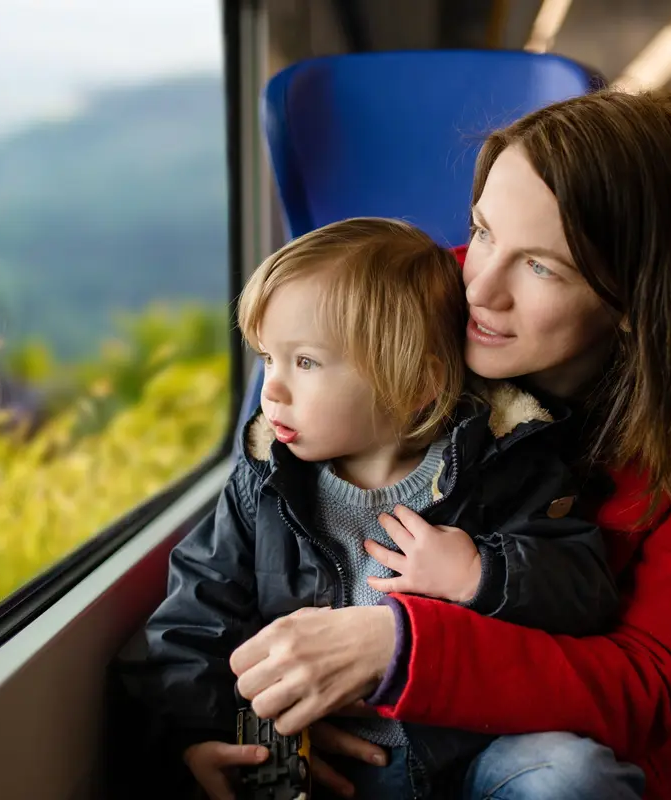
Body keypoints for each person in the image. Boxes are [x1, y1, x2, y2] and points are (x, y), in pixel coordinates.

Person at [228, 89, 671, 800]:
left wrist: (396, 648)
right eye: (483, 231)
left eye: (542, 267)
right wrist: (252, 714)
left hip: (546, 747)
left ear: (636, 302)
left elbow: (650, 684)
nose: (479, 287)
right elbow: (256, 529)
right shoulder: (405, 318)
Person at [119, 217, 623, 800]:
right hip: (307, 752)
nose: (272, 390)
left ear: (413, 386)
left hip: (468, 752)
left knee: (573, 772)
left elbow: (585, 592)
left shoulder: (504, 468)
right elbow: (196, 616)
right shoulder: (264, 486)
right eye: (267, 359)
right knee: (253, 766)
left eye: (304, 363)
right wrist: (197, 734)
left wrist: (479, 574)